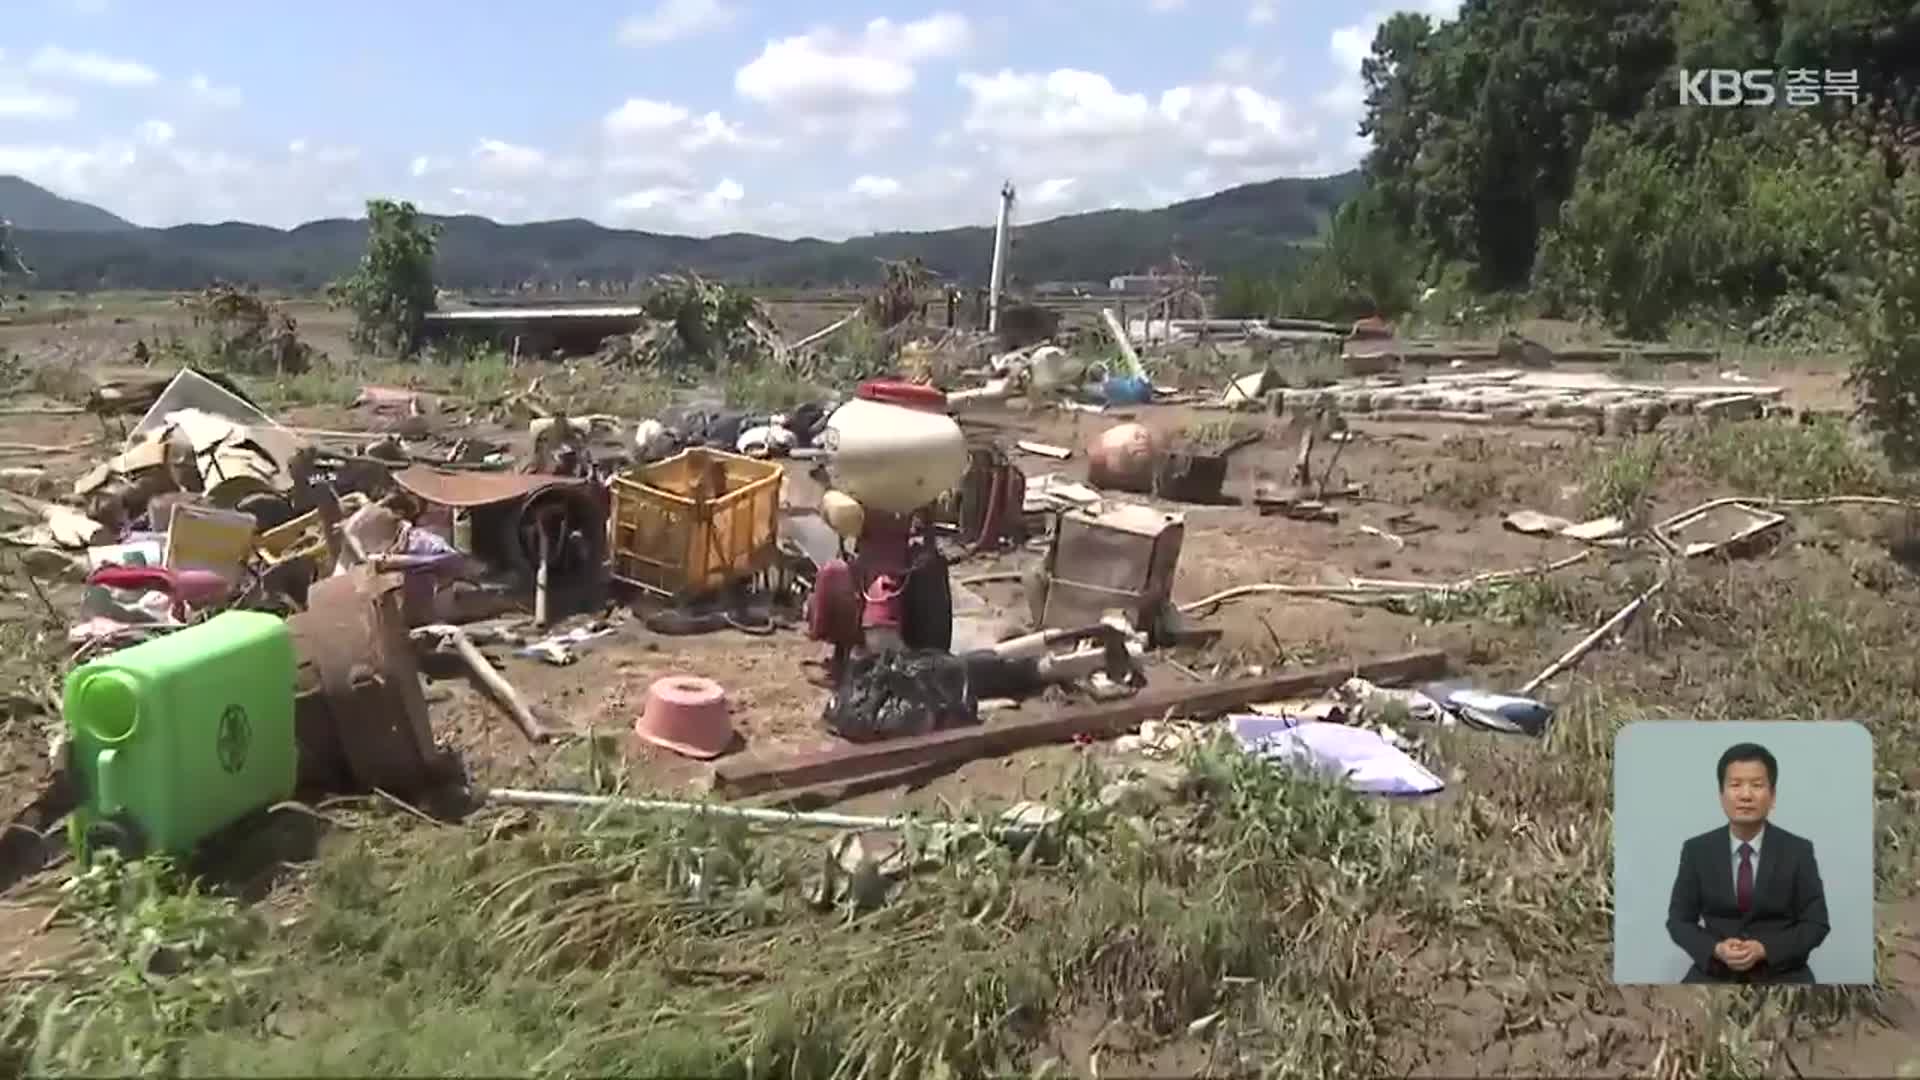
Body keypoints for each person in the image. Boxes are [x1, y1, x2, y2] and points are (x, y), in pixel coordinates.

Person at [1665, 742, 1830, 983]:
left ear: (1772, 796)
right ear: (1721, 795)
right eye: (1735, 785)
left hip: (1782, 974)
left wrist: (1765, 949)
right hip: (1714, 973)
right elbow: (1679, 921)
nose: (1745, 795)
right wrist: (1716, 949)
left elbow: (1816, 924)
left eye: (1756, 785)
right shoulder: (1697, 850)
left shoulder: (1798, 850)